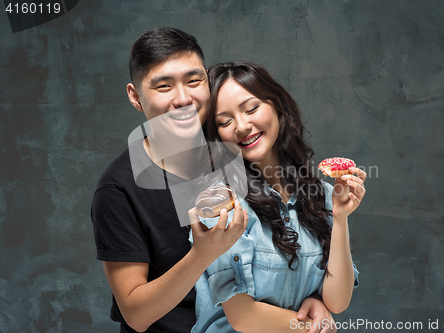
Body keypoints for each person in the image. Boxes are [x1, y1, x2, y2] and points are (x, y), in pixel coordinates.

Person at [91, 28, 339, 333]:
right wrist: (201, 254)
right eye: (163, 86)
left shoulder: (238, 148)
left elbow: (290, 244)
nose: (183, 99)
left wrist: (313, 296)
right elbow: (136, 315)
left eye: (194, 81)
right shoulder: (118, 189)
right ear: (135, 96)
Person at [191, 62, 366, 332]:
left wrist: (340, 218)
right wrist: (312, 326)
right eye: (224, 121)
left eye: (251, 109)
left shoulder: (323, 194)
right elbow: (243, 316)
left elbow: (337, 301)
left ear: (277, 107)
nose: (241, 126)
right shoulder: (219, 204)